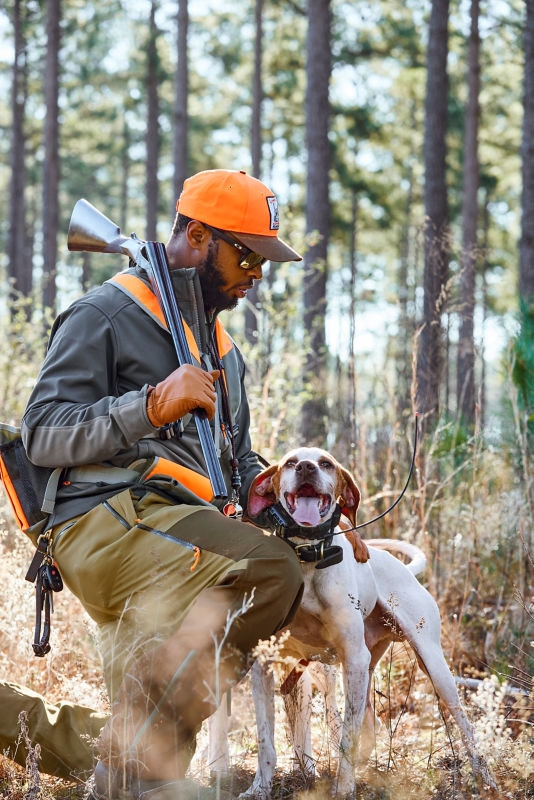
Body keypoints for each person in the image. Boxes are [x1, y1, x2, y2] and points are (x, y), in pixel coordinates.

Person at [21, 169, 304, 799]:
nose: (258, 273)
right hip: (105, 518)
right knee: (273, 572)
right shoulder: (107, 312)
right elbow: (42, 434)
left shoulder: (223, 351)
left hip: (177, 530)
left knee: (154, 764)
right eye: (247, 255)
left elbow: (233, 455)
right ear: (198, 235)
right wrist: (149, 406)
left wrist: (262, 485)